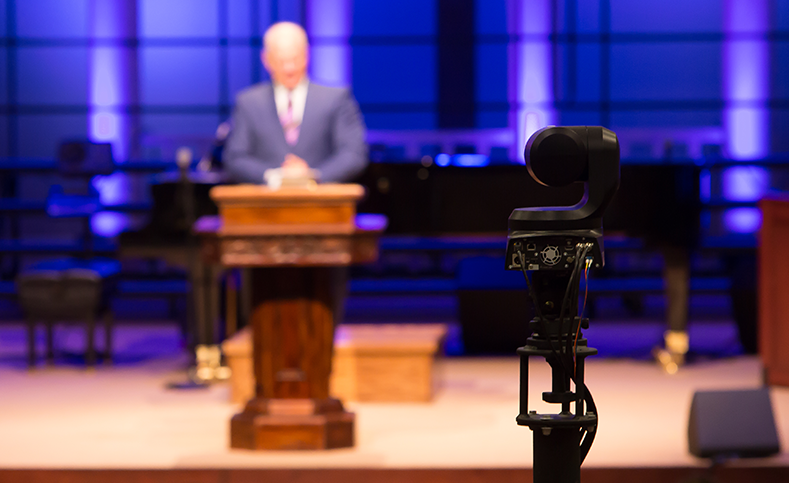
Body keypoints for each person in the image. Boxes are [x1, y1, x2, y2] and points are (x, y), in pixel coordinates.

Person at [224, 22, 367, 184]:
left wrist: (314, 176)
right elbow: (235, 158)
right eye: (281, 61)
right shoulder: (248, 102)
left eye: (295, 59)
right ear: (266, 59)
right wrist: (274, 176)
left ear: (307, 55)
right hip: (264, 204)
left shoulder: (336, 98)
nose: (289, 68)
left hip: (323, 202)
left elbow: (353, 154)